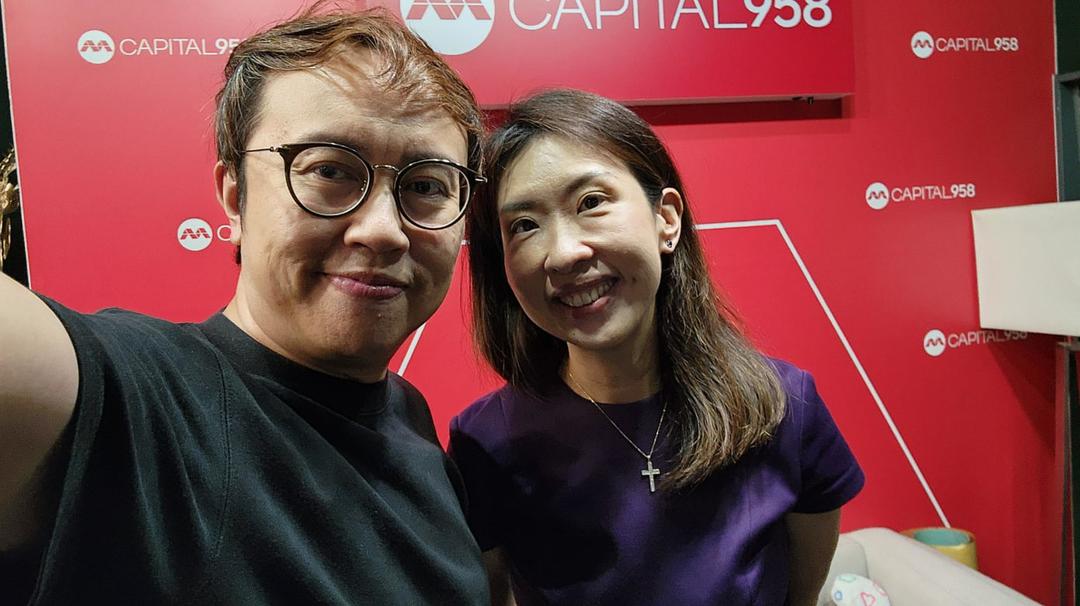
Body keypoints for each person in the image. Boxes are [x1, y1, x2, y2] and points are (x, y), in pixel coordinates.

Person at [0, 7, 491, 604]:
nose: (384, 230)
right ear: (235, 199)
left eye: (426, 185)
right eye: (329, 170)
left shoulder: (410, 419)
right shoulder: (144, 406)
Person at [450, 89, 865, 606]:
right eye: (524, 226)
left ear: (666, 219)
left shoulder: (785, 407)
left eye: (591, 203)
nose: (563, 253)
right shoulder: (485, 442)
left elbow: (799, 594)